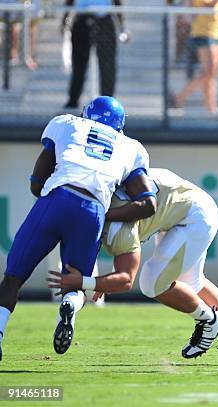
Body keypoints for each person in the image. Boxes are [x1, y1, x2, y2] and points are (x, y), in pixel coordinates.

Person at [48, 168, 218, 371]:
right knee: (193, 283)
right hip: (185, 207)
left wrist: (91, 282)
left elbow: (126, 280)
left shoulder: (118, 227)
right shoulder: (104, 194)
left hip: (193, 215)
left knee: (152, 282)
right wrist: (101, 281)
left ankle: (210, 319)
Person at [0, 96, 153, 361]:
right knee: (75, 280)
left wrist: (44, 196)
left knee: (13, 277)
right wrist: (107, 213)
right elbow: (148, 203)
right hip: (92, 210)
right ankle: (69, 305)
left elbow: (38, 179)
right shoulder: (132, 147)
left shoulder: (68, 124)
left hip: (57, 198)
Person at [62, 0, 130, 109]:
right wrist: (65, 20)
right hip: (82, 18)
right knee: (79, 65)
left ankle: (107, 103)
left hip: (103, 19)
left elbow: (117, 2)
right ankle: (73, 101)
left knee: (107, 65)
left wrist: (123, 26)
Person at [173, 0, 218, 115]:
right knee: (209, 72)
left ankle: (211, 109)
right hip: (203, 34)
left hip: (217, 32)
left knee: (211, 74)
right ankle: (179, 97)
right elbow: (207, 6)